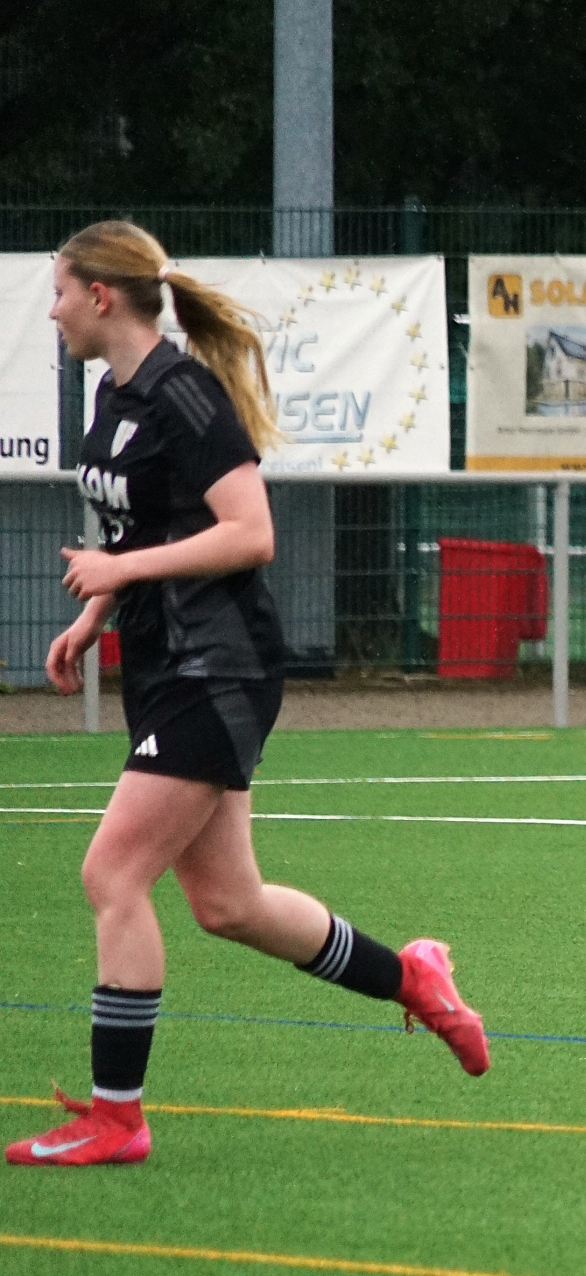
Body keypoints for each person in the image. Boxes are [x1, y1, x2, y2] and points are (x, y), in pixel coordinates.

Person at [8, 222, 488, 1169]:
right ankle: (415, 979)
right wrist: (95, 613)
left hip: (217, 667)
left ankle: (117, 1118)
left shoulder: (185, 394)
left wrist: (119, 572)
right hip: (166, 664)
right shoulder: (112, 394)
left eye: (60, 292)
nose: (52, 311)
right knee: (229, 902)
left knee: (112, 875)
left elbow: (250, 532)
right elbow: (144, 529)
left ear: (101, 295)